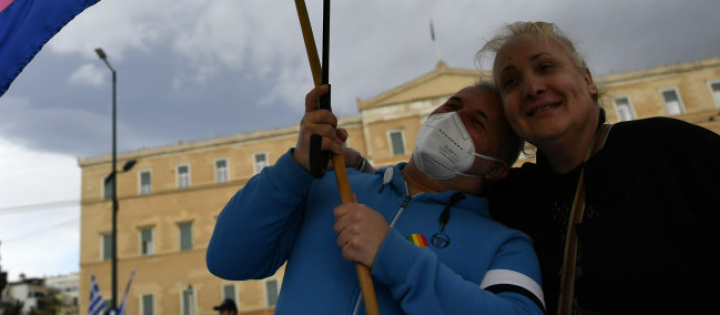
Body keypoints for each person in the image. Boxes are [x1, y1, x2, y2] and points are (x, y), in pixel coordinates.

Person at [483, 21, 720, 314]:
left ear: (588, 81)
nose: (532, 88)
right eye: (511, 82)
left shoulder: (669, 148)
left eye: (546, 67)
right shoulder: (511, 199)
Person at [207, 82, 545, 314]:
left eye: (476, 121)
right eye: (451, 106)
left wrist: (394, 257)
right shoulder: (330, 186)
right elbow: (228, 259)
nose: (452, 120)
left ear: (499, 169)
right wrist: (295, 167)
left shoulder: (506, 245)